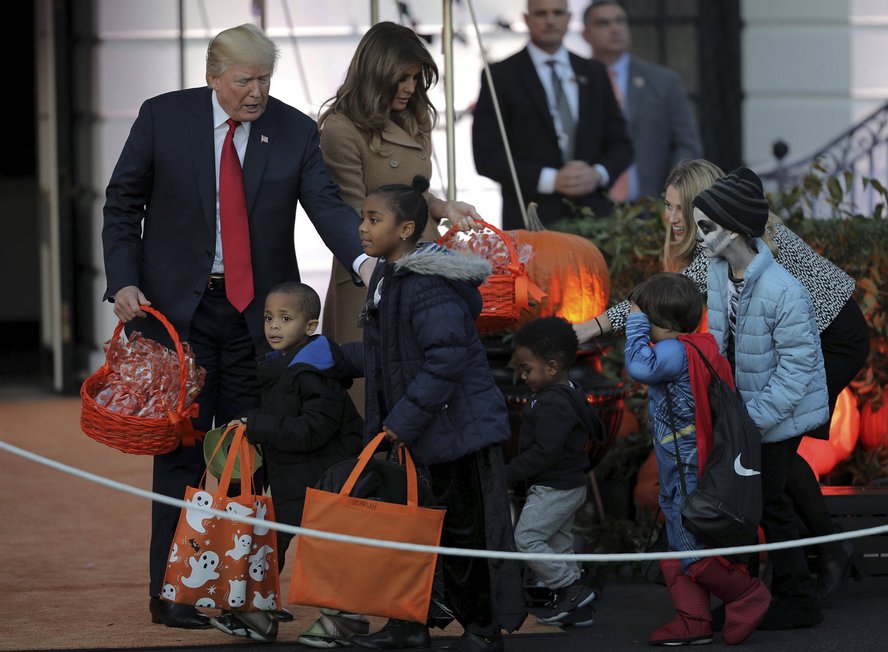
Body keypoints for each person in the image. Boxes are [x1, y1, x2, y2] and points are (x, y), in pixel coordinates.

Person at [101, 23, 364, 629]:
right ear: (213, 75)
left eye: (265, 79)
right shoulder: (162, 118)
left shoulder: (294, 128)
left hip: (260, 320)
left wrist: (364, 260)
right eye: (244, 80)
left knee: (252, 454)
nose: (256, 92)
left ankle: (242, 593)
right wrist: (122, 280)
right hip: (176, 317)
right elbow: (123, 202)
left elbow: (325, 204)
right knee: (180, 452)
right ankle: (171, 593)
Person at [575, 159, 870, 603]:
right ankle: (822, 554)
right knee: (776, 453)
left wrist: (593, 326)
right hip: (795, 341)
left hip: (832, 339)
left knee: (774, 451)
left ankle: (809, 566)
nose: (672, 218)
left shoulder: (739, 236)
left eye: (679, 208)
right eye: (668, 207)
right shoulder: (720, 239)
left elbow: (661, 300)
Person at [342, 177, 526, 652]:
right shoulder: (389, 276)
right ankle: (410, 624)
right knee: (409, 529)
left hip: (455, 433)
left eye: (373, 219)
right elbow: (394, 354)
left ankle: (483, 631)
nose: (362, 227)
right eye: (363, 217)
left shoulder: (428, 284)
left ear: (405, 229)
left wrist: (402, 421)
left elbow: (445, 359)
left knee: (466, 534)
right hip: (424, 431)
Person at [318, 20, 480, 413]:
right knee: (374, 397)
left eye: (415, 78)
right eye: (401, 78)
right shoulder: (340, 129)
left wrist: (443, 207)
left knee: (428, 388)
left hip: (421, 264)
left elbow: (413, 189)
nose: (410, 88)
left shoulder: (414, 116)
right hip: (371, 272)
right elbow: (355, 214)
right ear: (376, 74)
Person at [692, 166, 830, 629]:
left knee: (769, 504)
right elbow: (719, 339)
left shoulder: (782, 290)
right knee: (746, 506)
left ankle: (797, 598)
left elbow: (798, 369)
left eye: (705, 226)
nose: (698, 236)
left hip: (777, 414)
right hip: (744, 412)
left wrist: (752, 421)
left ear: (732, 228)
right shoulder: (716, 271)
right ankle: (746, 595)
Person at [207, 282, 367, 645]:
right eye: (268, 318)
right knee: (268, 545)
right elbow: (282, 416)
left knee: (326, 553)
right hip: (292, 481)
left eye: (285, 318)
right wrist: (249, 423)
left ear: (310, 326)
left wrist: (260, 426)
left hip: (324, 482)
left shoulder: (314, 372)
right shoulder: (280, 366)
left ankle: (344, 620)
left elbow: (311, 430)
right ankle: (256, 614)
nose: (274, 327)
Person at [624, 273, 770, 646]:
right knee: (677, 544)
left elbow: (640, 366)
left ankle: (744, 594)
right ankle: (693, 620)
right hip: (682, 461)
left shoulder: (674, 350)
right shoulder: (696, 345)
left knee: (690, 547)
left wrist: (635, 322)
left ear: (662, 323)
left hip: (686, 465)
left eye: (645, 318)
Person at [471, 0, 634, 229]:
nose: (550, 20)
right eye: (541, 13)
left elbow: (622, 144)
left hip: (595, 219)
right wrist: (550, 179)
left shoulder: (594, 72)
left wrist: (597, 174)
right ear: (526, 19)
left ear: (568, 18)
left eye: (557, 13)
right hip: (531, 218)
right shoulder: (500, 76)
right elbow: (487, 155)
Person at [506, 317, 604, 628]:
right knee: (559, 546)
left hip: (554, 488)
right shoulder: (569, 393)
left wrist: (508, 472)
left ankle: (571, 589)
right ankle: (577, 609)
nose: (521, 376)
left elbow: (543, 454)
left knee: (527, 539)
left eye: (526, 369)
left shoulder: (553, 404)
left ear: (551, 367)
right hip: (569, 486)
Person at [582, 1, 702, 202]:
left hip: (652, 207)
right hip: (588, 208)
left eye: (620, 21)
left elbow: (687, 145)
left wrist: (674, 194)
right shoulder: (575, 80)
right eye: (603, 23)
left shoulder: (663, 81)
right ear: (585, 34)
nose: (615, 29)